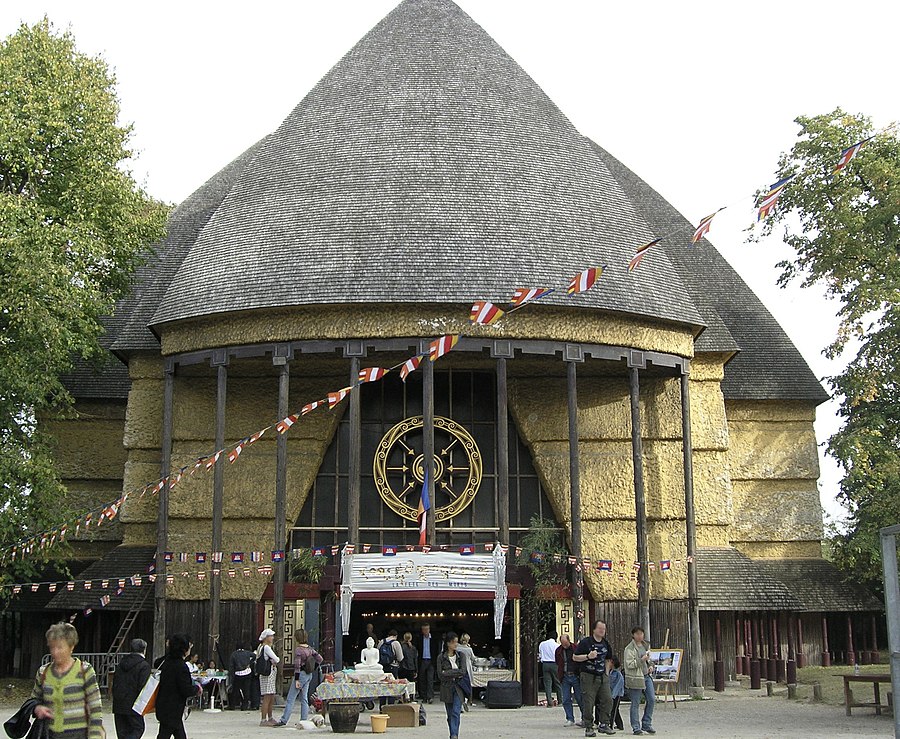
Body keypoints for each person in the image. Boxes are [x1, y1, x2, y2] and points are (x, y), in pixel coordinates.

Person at [31, 622, 104, 739]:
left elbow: (96, 709)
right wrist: (37, 708)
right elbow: (34, 700)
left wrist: (95, 736)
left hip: (79, 735)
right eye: (52, 647)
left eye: (60, 647)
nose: (55, 652)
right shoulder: (43, 672)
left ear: (71, 647)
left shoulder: (85, 671)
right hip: (49, 735)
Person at [573, 620, 615, 737]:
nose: (602, 631)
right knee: (589, 702)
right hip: (588, 675)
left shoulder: (605, 643)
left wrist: (606, 672)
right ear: (594, 629)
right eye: (600, 628)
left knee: (608, 699)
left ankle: (604, 724)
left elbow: (608, 658)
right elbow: (575, 657)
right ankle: (589, 726)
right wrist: (588, 656)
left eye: (604, 629)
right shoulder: (586, 642)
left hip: (602, 676)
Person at [273, 628, 322, 727]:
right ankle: (303, 720)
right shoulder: (310, 649)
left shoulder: (299, 650)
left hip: (301, 675)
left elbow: (297, 666)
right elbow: (320, 659)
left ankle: (284, 719)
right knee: (304, 698)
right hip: (309, 674)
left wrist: (296, 679)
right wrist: (313, 668)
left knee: (291, 698)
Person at [155, 633, 200, 739]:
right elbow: (186, 689)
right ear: (184, 649)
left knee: (177, 734)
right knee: (164, 735)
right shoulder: (181, 666)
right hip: (173, 709)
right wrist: (197, 688)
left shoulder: (167, 662)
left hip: (164, 706)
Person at [112, 638, 151, 739]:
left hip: (118, 703)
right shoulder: (144, 665)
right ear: (144, 650)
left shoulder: (121, 663)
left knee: (122, 733)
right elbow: (143, 687)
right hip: (134, 704)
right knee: (138, 728)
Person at [623, 627, 656, 736]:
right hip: (636, 677)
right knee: (635, 703)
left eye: (641, 634)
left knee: (651, 699)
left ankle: (646, 723)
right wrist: (641, 660)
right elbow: (629, 664)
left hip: (647, 676)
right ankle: (636, 727)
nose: (640, 636)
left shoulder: (646, 645)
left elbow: (650, 660)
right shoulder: (629, 648)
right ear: (633, 635)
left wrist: (651, 665)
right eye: (637, 634)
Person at [436, 632, 468, 739]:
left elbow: (463, 671)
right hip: (446, 687)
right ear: (448, 643)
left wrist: (448, 672)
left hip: (458, 687)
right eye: (454, 642)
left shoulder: (461, 656)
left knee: (456, 711)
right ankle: (452, 733)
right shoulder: (441, 657)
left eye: (456, 642)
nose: (456, 645)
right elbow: (440, 674)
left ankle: (454, 735)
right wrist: (454, 672)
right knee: (450, 714)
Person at [555, 633, 584, 728]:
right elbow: (557, 662)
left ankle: (585, 718)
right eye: (562, 643)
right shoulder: (558, 651)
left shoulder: (576, 648)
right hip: (565, 676)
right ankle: (570, 718)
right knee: (566, 699)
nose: (564, 645)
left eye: (565, 643)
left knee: (580, 698)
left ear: (569, 640)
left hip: (575, 675)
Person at [256, 628, 281, 727]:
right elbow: (277, 659)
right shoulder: (266, 648)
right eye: (271, 636)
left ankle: (269, 717)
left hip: (265, 674)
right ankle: (264, 719)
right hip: (268, 674)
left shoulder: (260, 647)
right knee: (267, 697)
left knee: (270, 696)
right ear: (266, 637)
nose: (272, 638)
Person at [378, 629, 404, 709]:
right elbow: (400, 657)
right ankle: (390, 707)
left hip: (382, 668)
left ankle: (381, 707)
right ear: (395, 636)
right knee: (392, 687)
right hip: (393, 667)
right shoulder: (396, 643)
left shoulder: (381, 642)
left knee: (382, 686)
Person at [538, 629, 562, 708]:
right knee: (557, 682)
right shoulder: (557, 646)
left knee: (547, 683)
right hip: (554, 664)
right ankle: (560, 700)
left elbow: (540, 655)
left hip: (545, 664)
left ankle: (549, 702)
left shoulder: (542, 644)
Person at [229, 642, 255, 711]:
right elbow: (254, 656)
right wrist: (250, 663)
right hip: (247, 672)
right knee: (246, 690)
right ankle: (244, 706)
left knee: (235, 690)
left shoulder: (234, 654)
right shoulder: (247, 653)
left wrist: (231, 675)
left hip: (238, 673)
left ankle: (232, 705)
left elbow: (231, 666)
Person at [416, 623, 438, 703]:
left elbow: (436, 650)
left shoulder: (434, 639)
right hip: (422, 660)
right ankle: (424, 696)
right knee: (422, 679)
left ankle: (430, 696)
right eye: (424, 630)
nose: (425, 631)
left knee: (430, 679)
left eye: (427, 629)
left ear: (429, 629)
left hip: (431, 660)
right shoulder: (419, 638)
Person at [455, 634, 476, 711]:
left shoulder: (457, 648)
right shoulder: (469, 649)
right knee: (467, 685)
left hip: (459, 668)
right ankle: (467, 700)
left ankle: (460, 703)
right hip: (467, 667)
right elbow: (473, 658)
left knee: (460, 685)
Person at [605, 657, 624, 732]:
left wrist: (613, 695)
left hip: (617, 694)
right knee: (616, 710)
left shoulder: (618, 673)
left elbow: (619, 684)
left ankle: (611, 724)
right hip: (611, 693)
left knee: (613, 709)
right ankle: (620, 725)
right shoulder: (610, 672)